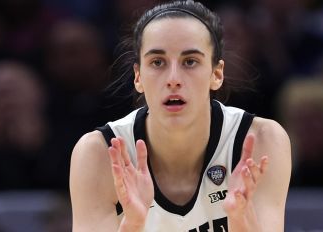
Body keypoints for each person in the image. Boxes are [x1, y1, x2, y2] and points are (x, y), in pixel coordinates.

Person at [69, 1, 291, 231]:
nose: (173, 78)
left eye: (190, 61)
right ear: (138, 77)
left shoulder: (261, 141)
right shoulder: (99, 154)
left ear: (216, 73)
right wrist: (133, 224)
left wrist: (240, 219)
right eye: (157, 62)